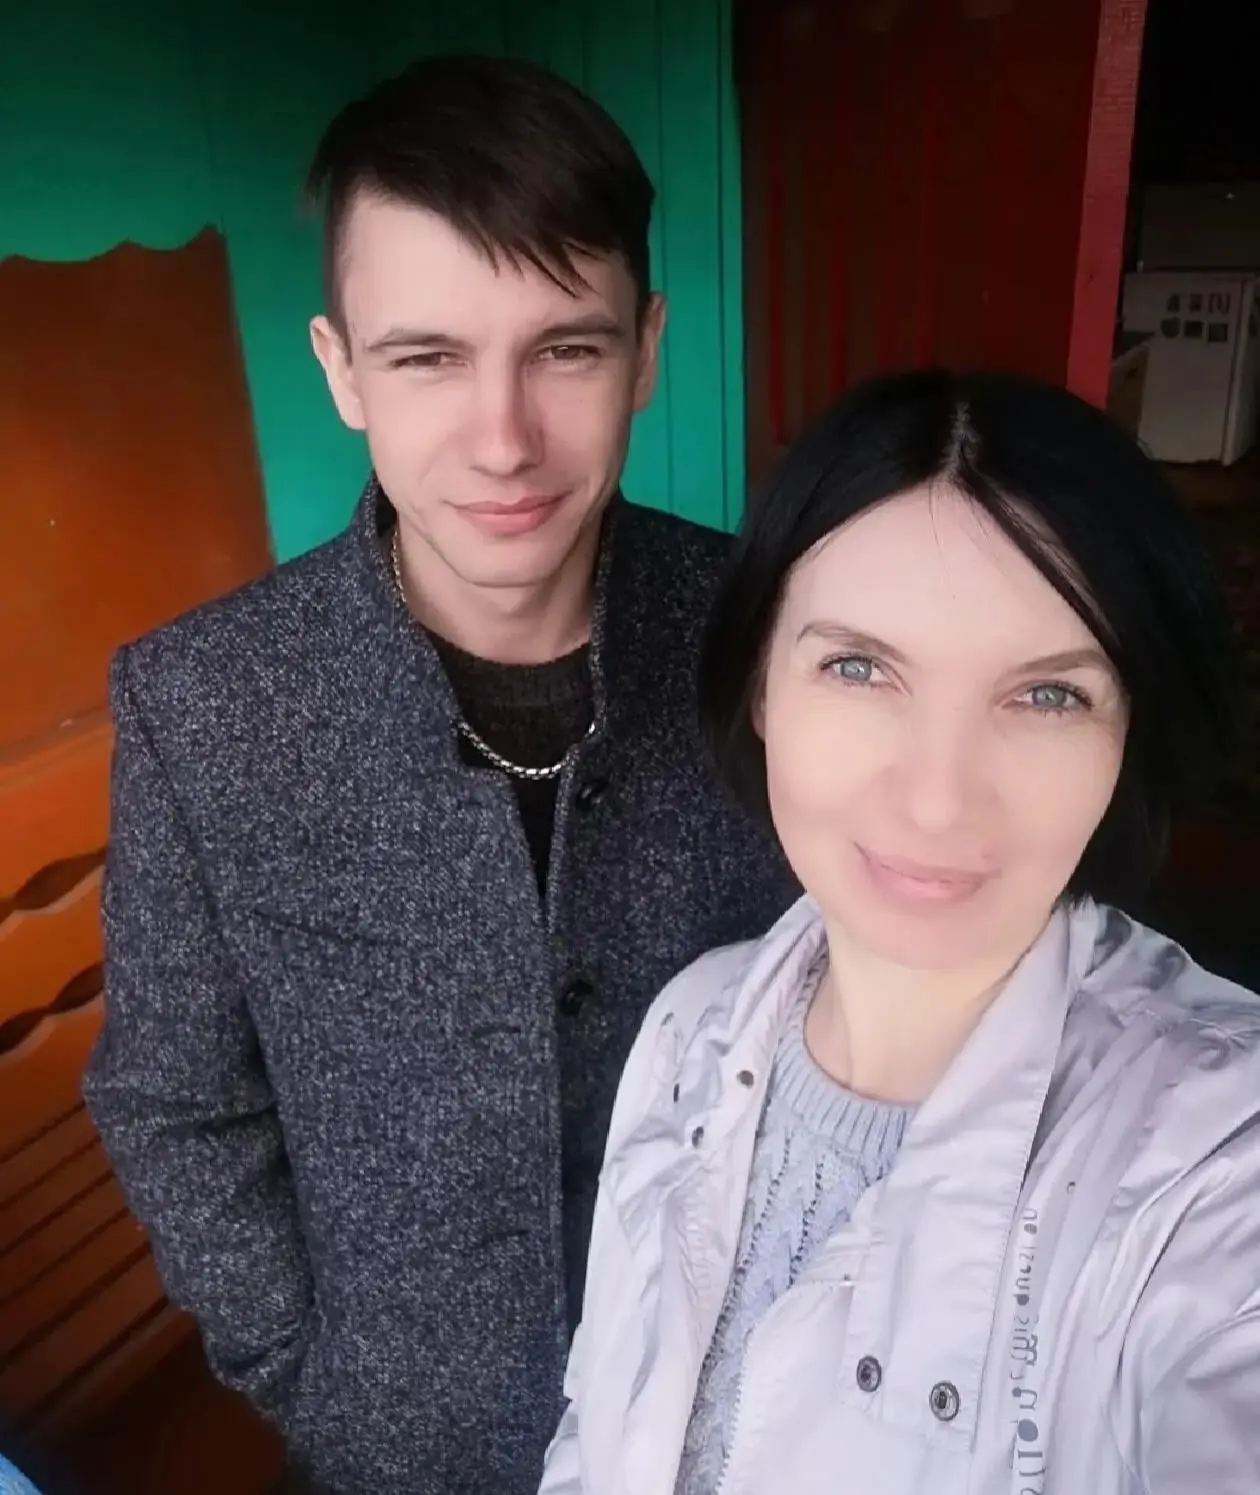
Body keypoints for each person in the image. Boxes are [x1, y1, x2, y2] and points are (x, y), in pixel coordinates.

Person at [82, 54, 795, 1495]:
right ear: (341, 368)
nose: (503, 440)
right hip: (394, 1445)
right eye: (427, 357)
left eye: (566, 349)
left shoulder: (776, 638)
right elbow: (173, 1096)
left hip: (736, 1417)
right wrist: (311, 1374)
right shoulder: (203, 702)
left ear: (647, 350)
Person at [541, 368, 1260, 1495]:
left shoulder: (1215, 1169)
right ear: (762, 686)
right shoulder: (691, 1024)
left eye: (1048, 695)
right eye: (859, 667)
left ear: (1131, 731)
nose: (936, 800)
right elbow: (596, 1424)